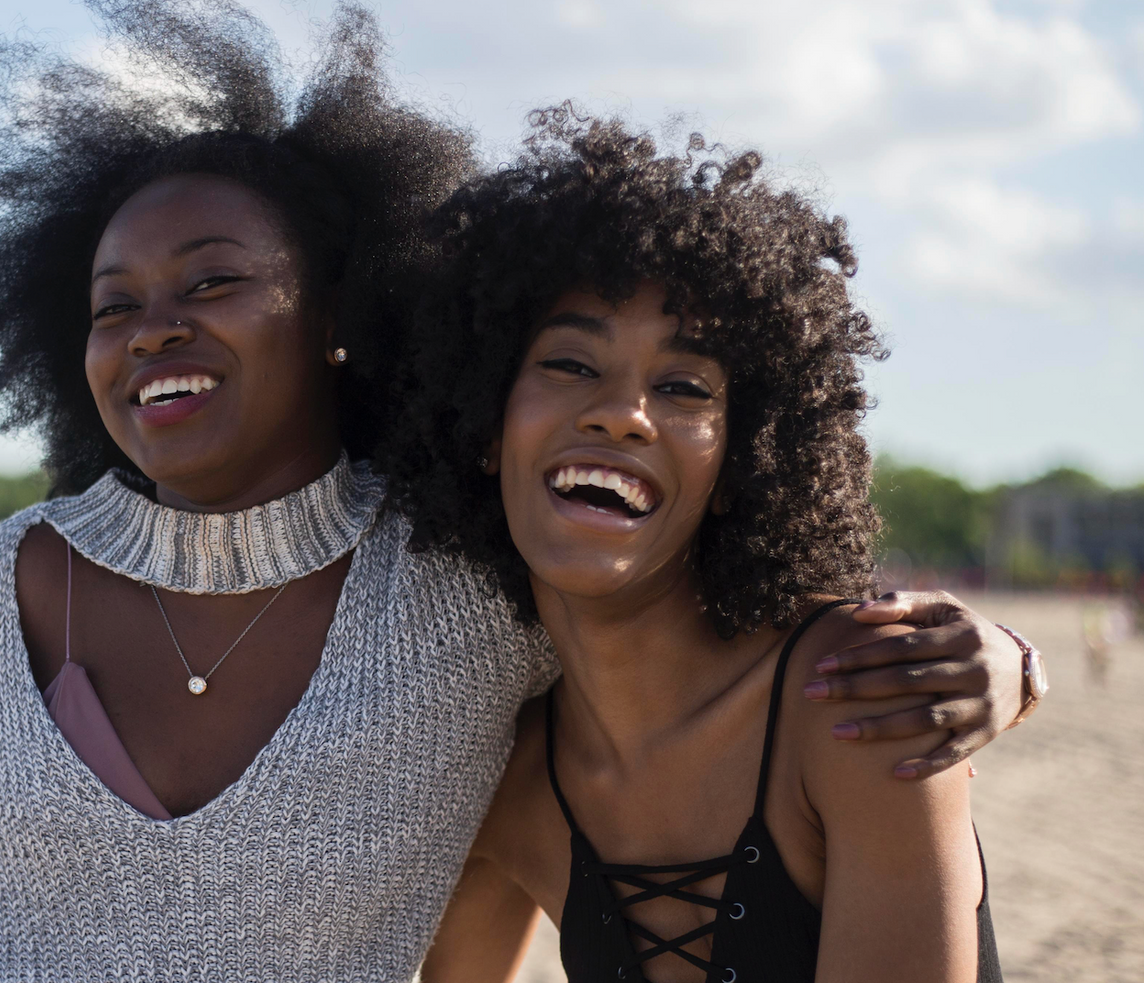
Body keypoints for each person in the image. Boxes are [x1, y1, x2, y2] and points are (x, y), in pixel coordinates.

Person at [0, 7, 1034, 982]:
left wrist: (1000, 652)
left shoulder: (461, 586)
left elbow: (701, 609)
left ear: (342, 314)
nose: (156, 326)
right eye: (116, 306)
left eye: (213, 281)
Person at [388, 111, 1025, 982]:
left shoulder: (856, 698)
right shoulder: (506, 781)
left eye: (683, 385)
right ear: (483, 422)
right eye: (570, 364)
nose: (622, 411)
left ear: (740, 461)